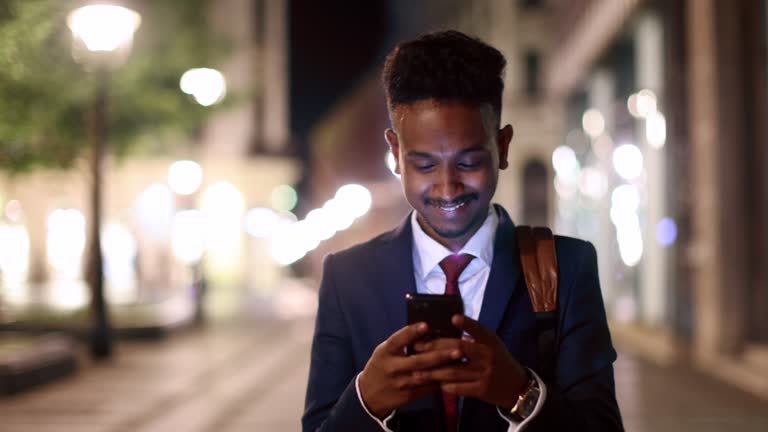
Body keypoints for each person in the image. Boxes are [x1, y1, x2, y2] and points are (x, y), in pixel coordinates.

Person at [302, 30, 623, 432]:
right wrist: (367, 400)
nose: (447, 186)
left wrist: (521, 394)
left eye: (468, 162)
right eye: (424, 165)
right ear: (396, 153)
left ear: (502, 147)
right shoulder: (346, 278)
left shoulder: (566, 268)